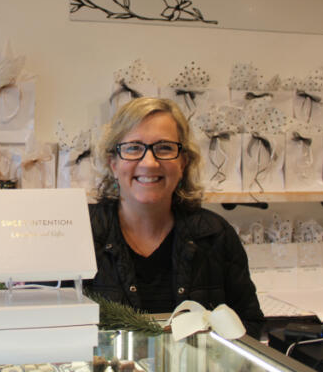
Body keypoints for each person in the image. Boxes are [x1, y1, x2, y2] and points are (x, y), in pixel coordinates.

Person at [86, 97, 264, 338]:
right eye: (133, 148)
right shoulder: (82, 234)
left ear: (183, 162)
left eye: (164, 148)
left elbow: (248, 326)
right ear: (114, 164)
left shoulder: (215, 235)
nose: (149, 163)